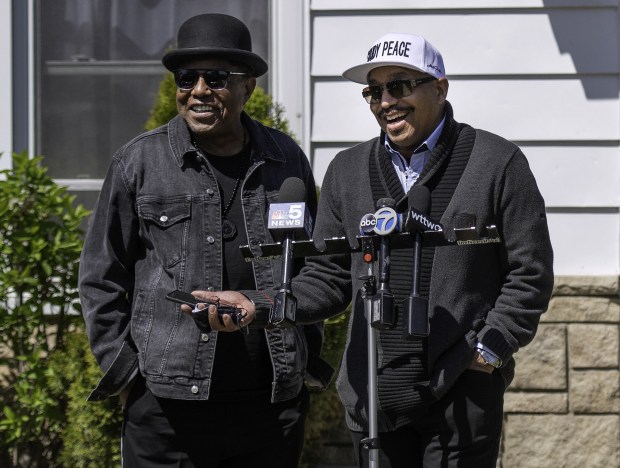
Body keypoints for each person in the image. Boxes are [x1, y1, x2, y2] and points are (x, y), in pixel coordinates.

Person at [198, 32, 554, 467]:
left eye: (400, 86)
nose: (386, 101)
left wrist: (489, 351)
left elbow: (529, 274)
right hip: (372, 394)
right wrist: (258, 305)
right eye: (374, 91)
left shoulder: (497, 162)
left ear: (439, 88)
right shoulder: (347, 170)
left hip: (462, 391)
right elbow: (328, 279)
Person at [78, 13, 332, 468]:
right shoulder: (138, 163)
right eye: (185, 77)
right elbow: (101, 276)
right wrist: (127, 376)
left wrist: (304, 351)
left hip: (270, 403)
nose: (198, 90)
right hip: (166, 407)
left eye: (215, 77)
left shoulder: (285, 160)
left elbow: (311, 266)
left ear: (247, 86)